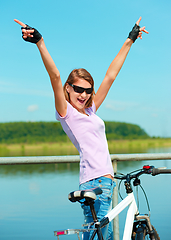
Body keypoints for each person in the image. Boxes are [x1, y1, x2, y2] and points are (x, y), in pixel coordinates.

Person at [14, 17, 148, 240]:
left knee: (94, 234)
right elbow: (55, 76)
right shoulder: (66, 112)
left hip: (104, 181)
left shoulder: (90, 110)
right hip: (96, 182)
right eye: (78, 89)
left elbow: (110, 76)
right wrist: (40, 42)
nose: (83, 95)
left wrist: (130, 39)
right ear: (68, 88)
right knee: (97, 236)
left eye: (87, 90)